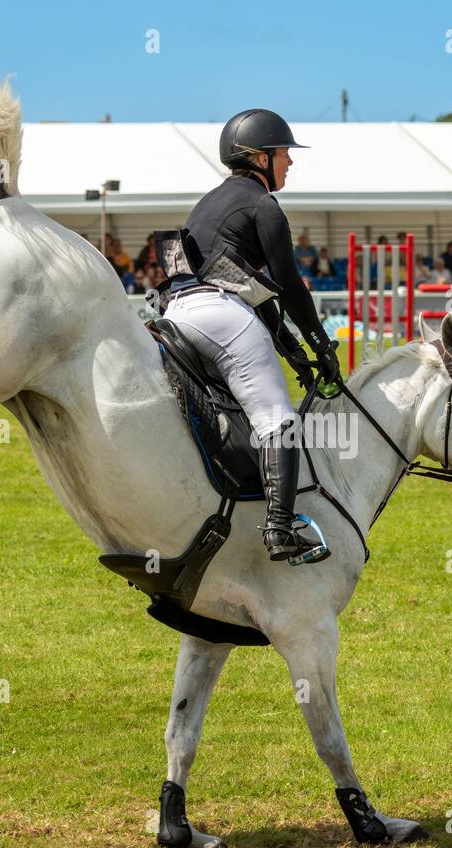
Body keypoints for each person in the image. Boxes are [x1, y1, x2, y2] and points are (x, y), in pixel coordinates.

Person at [165, 108, 340, 562]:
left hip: (177, 312)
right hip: (222, 315)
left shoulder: (210, 202)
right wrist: (322, 346)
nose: (290, 162)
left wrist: (296, 354)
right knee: (278, 421)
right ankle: (281, 530)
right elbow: (290, 288)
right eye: (284, 154)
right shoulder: (265, 207)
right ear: (260, 158)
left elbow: (254, 292)